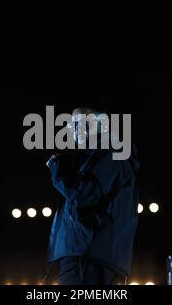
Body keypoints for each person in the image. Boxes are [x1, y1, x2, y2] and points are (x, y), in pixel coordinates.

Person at [44, 104, 139, 285]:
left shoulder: (113, 153)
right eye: (73, 126)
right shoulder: (95, 158)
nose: (76, 131)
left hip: (89, 257)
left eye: (83, 125)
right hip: (89, 256)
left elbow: (83, 195)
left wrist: (57, 168)